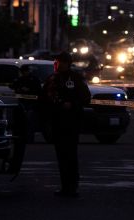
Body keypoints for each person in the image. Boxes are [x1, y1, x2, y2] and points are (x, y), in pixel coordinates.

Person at [40, 52, 91, 197]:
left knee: (71, 155)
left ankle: (72, 186)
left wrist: (72, 104)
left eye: (61, 62)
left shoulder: (75, 78)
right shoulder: (52, 79)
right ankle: (65, 186)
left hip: (72, 122)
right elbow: (43, 100)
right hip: (57, 122)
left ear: (68, 63)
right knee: (61, 156)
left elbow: (86, 97)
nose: (58, 64)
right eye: (56, 62)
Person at [12, 65, 43, 143]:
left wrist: (29, 90)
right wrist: (19, 89)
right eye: (22, 71)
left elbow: (38, 90)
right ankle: (23, 138)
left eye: (24, 71)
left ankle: (29, 139)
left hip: (31, 103)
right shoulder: (20, 79)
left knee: (29, 122)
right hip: (22, 102)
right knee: (22, 122)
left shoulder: (34, 79)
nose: (23, 73)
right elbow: (13, 86)